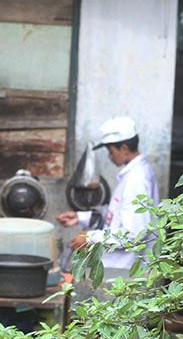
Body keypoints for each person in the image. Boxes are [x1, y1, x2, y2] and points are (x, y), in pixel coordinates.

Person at [57, 117, 159, 273]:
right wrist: (80, 217)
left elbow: (134, 233)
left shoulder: (136, 180)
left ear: (124, 148)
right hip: (119, 266)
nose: (110, 156)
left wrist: (91, 238)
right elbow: (118, 216)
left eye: (111, 152)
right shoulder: (133, 175)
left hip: (125, 270)